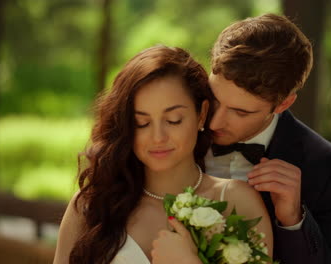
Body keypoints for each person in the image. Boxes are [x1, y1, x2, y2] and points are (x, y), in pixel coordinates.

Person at [52, 45, 273, 264]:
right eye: (142, 123)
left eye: (173, 120)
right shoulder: (92, 206)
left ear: (201, 115)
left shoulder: (236, 201)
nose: (158, 137)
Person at [205, 14, 331, 263]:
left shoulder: (323, 163)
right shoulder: (177, 127)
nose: (213, 123)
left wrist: (294, 219)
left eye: (241, 112)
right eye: (214, 98)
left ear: (283, 103)